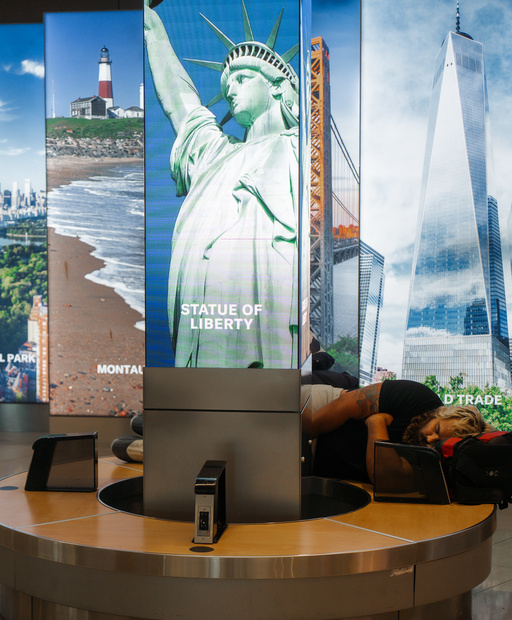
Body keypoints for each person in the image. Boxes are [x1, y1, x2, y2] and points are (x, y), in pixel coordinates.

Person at [144, 1, 299, 368]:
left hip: (272, 309)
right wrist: (149, 22)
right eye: (227, 83)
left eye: (242, 78)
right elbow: (180, 102)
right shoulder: (216, 154)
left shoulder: (302, 149)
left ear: (277, 85)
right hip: (207, 321)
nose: (230, 90)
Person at [303, 379, 490, 483]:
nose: (430, 439)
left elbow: (383, 476)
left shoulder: (433, 460)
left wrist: (376, 422)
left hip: (321, 468)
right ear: (440, 413)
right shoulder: (417, 397)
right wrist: (301, 436)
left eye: (438, 442)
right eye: (436, 428)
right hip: (320, 413)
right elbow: (345, 405)